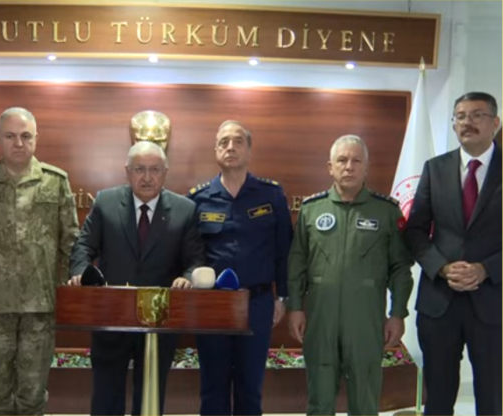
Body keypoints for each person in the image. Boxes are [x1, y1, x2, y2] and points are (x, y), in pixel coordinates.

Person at [0, 107, 79, 415]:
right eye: (10, 136)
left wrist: (65, 296)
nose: (18, 143)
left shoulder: (55, 181)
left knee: (33, 394)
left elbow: (71, 244)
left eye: (25, 136)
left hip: (40, 307)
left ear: (36, 138)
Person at [68, 141, 205, 416]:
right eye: (139, 169)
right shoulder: (106, 202)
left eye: (154, 170)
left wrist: (188, 278)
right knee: (106, 396)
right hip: (111, 315)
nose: (147, 177)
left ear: (165, 173)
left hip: (159, 319)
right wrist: (81, 272)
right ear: (127, 171)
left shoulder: (185, 210)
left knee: (150, 398)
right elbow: (83, 247)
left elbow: (196, 261)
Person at [287, 134, 413, 415]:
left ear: (366, 167)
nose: (349, 166)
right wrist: (295, 308)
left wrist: (397, 313)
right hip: (321, 319)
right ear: (330, 167)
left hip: (366, 320)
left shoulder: (386, 211)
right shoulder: (311, 210)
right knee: (319, 400)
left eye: (356, 161)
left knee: (365, 400)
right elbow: (297, 264)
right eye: (342, 160)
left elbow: (400, 268)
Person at [404, 92, 501, 416]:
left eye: (476, 115)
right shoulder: (435, 168)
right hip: (439, 301)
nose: (467, 123)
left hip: (493, 302)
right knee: (438, 397)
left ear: (495, 123)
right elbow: (415, 231)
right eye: (460, 116)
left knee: (492, 397)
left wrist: (486, 269)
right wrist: (443, 268)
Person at [187, 120, 293, 415]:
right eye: (223, 142)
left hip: (256, 302)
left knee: (250, 387)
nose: (230, 147)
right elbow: (190, 254)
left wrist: (282, 296)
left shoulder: (271, 195)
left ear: (249, 150)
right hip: (212, 305)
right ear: (215, 150)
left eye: (237, 141)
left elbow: (284, 250)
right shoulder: (198, 199)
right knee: (213, 388)